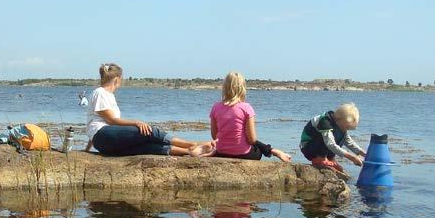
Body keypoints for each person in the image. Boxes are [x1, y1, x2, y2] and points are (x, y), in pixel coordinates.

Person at [85, 63, 213, 156]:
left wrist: (87, 149)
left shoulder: (108, 95)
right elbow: (110, 121)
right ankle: (192, 144)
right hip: (103, 137)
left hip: (105, 140)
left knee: (145, 147)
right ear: (117, 79)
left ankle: (189, 152)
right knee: (146, 131)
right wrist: (136, 122)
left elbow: (99, 124)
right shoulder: (100, 92)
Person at [207, 72, 292, 162]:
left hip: (222, 152)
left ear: (225, 87)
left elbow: (214, 136)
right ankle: (274, 151)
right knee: (257, 151)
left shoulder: (215, 107)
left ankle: (274, 151)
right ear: (242, 88)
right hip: (243, 153)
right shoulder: (246, 108)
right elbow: (252, 139)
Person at [299, 103, 366, 172]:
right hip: (308, 147)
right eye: (345, 127)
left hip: (321, 146)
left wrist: (364, 154)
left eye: (348, 129)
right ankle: (319, 159)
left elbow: (349, 142)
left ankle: (330, 159)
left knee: (342, 136)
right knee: (328, 137)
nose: (345, 130)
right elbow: (330, 144)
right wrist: (352, 158)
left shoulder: (340, 125)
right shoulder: (325, 121)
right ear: (339, 120)